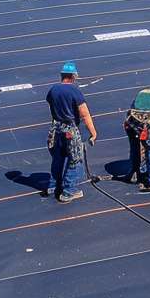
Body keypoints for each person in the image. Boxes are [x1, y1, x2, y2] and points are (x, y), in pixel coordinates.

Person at [45, 61, 97, 203]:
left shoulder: (53, 90)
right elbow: (85, 114)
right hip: (70, 129)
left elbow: (51, 106)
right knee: (75, 158)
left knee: (58, 157)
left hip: (56, 129)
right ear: (73, 76)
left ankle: (53, 186)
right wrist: (93, 133)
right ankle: (68, 191)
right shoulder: (74, 91)